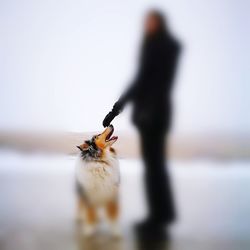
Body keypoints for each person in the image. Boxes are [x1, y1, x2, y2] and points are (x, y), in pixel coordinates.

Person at [103, 10, 181, 238]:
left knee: (154, 168)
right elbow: (140, 82)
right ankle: (160, 216)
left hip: (155, 115)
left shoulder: (163, 49)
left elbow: (155, 83)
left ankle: (158, 221)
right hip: (152, 115)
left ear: (160, 24)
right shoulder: (154, 48)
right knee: (154, 167)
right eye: (146, 22)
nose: (147, 25)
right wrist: (116, 109)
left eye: (152, 22)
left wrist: (146, 110)